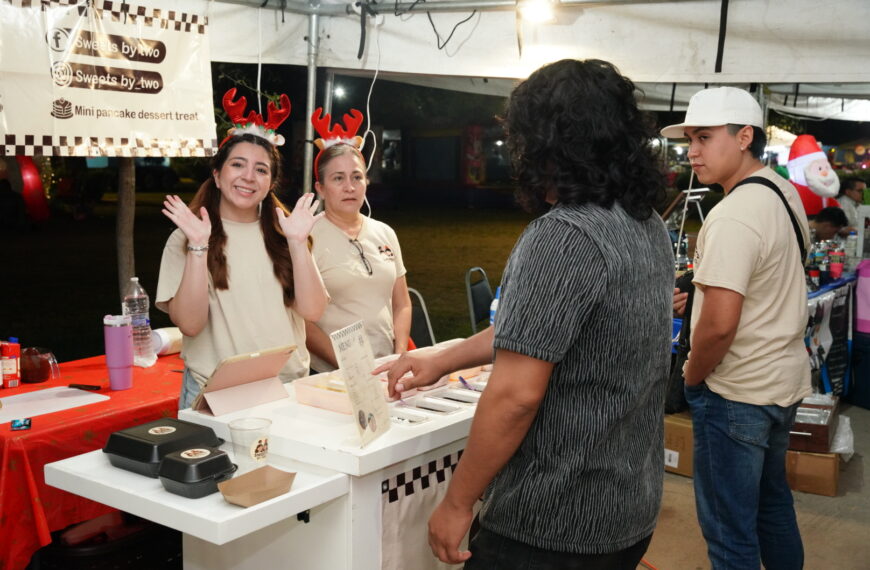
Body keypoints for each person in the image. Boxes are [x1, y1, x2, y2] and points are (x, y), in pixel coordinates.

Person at [374, 59, 673, 568]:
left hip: (553, 521)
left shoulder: (564, 236)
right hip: (626, 507)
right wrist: (442, 359)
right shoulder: (646, 224)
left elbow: (515, 395)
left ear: (546, 142)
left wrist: (458, 501)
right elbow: (536, 331)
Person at [661, 86, 811, 569]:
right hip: (780, 382)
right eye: (690, 140)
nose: (692, 152)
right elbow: (766, 279)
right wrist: (699, 294)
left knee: (730, 532)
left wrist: (692, 375)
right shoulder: (781, 191)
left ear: (745, 137)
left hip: (737, 391)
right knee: (772, 505)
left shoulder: (732, 215)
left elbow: (720, 327)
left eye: (704, 137)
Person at [156, 89, 328, 409]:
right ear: (217, 175)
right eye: (237, 165)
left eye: (261, 169)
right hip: (215, 392)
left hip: (285, 388)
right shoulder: (186, 237)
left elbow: (313, 311)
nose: (249, 177)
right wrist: (198, 246)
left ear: (270, 183)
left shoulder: (287, 233)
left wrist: (297, 244)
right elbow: (189, 325)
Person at [304, 108, 412, 372]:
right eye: (338, 178)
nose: (349, 187)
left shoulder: (384, 232)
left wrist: (399, 354)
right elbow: (300, 320)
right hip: (331, 373)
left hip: (386, 366)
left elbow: (401, 303)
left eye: (356, 177)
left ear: (367, 182)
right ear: (320, 188)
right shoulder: (305, 237)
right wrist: (347, 365)